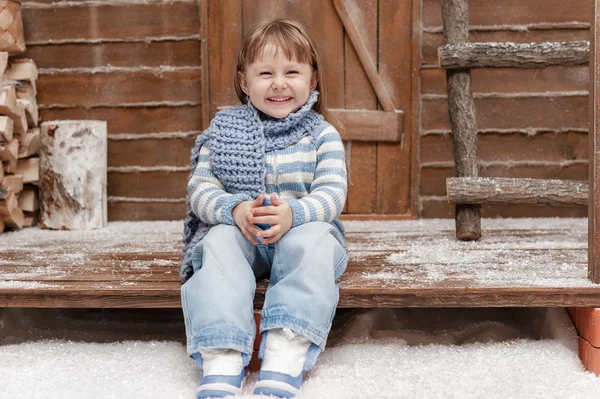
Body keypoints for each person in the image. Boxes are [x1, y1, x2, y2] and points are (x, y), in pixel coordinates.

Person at [180, 18, 348, 399]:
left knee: (311, 243)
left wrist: (294, 214)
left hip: (303, 231)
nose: (279, 83)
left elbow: (333, 194)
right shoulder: (223, 133)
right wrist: (235, 210)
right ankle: (222, 350)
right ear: (244, 82)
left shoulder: (322, 135)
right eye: (265, 73)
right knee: (218, 244)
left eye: (292, 71)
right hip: (246, 235)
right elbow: (200, 190)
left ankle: (286, 347)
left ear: (313, 78)